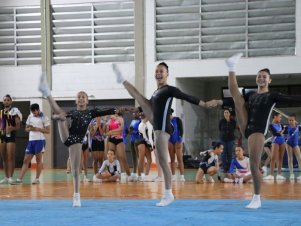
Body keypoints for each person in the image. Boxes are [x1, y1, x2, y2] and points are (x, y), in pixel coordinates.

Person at [112, 62, 212, 206]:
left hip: (162, 127)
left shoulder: (170, 89)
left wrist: (204, 104)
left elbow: (186, 97)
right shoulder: (156, 92)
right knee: (139, 96)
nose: (158, 73)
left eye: (161, 71)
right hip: (156, 124)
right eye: (157, 71)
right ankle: (122, 79)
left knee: (164, 161)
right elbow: (147, 107)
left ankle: (168, 194)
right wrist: (130, 109)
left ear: (167, 74)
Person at [209, 53, 301, 208]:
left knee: (253, 164)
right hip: (246, 125)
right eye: (259, 76)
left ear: (269, 80)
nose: (261, 78)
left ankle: (256, 198)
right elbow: (233, 99)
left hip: (258, 131)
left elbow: (293, 99)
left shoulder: (272, 95)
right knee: (238, 99)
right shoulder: (251, 94)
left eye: (264, 76)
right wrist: (220, 102)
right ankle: (231, 67)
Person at [38, 72, 115, 207]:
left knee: (75, 170)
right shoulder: (72, 112)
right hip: (67, 136)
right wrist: (57, 118)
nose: (80, 99)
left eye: (83, 97)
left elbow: (107, 111)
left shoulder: (91, 112)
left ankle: (76, 196)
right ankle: (47, 92)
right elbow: (55, 116)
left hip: (77, 141)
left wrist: (119, 110)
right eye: (78, 97)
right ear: (75, 100)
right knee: (61, 115)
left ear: (87, 100)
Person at [13, 103, 50, 184]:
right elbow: (26, 129)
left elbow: (48, 131)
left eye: (35, 112)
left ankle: (37, 179)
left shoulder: (44, 117)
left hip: (40, 141)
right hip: (31, 141)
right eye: (32, 112)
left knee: (38, 160)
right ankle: (19, 179)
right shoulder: (30, 116)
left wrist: (37, 129)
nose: (33, 113)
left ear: (38, 110)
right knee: (26, 160)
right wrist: (30, 128)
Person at [0, 94, 22, 184]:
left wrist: (11, 128)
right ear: (3, 101)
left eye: (8, 100)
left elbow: (18, 126)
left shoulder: (14, 111)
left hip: (10, 135)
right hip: (1, 135)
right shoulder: (0, 112)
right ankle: (6, 177)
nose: (6, 101)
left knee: (10, 156)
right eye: (5, 100)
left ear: (11, 101)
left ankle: (10, 177)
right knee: (4, 157)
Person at [106, 110, 131, 179]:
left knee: (122, 157)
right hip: (111, 140)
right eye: (113, 112)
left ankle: (129, 175)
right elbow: (107, 133)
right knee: (112, 158)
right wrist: (111, 132)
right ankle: (114, 174)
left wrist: (112, 131)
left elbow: (121, 129)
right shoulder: (109, 120)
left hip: (119, 139)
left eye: (115, 112)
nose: (114, 114)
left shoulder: (120, 119)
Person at [263, 112, 286, 181]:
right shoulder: (270, 125)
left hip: (282, 141)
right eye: (280, 117)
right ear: (275, 117)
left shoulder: (281, 125)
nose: (280, 118)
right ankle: (271, 175)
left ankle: (279, 174)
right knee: (273, 158)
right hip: (275, 141)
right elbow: (275, 134)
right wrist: (282, 131)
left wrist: (281, 131)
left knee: (280, 158)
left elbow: (284, 132)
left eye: (281, 117)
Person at [168, 108, 185, 182]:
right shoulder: (166, 122)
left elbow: (181, 130)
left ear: (170, 114)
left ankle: (182, 176)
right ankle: (173, 176)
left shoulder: (177, 119)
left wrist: (179, 140)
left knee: (179, 159)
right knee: (172, 159)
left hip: (178, 140)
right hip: (170, 141)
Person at [136, 108, 153, 182]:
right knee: (141, 158)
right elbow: (146, 137)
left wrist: (150, 145)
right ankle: (140, 175)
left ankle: (145, 175)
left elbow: (150, 136)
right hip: (140, 141)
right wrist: (151, 145)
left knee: (149, 159)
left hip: (145, 142)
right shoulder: (141, 125)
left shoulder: (149, 123)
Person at [285, 113, 301, 180]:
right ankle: (291, 174)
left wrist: (298, 138)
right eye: (289, 120)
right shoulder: (286, 127)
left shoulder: (298, 126)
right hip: (288, 144)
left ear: (295, 120)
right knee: (290, 158)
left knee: (299, 158)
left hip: (295, 144)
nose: (291, 121)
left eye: (292, 120)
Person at [128, 108, 141, 181]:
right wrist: (129, 131)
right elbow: (130, 130)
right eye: (133, 113)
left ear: (139, 113)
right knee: (134, 157)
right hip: (132, 140)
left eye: (136, 113)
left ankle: (140, 173)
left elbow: (140, 131)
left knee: (139, 157)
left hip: (138, 140)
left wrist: (134, 131)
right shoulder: (133, 121)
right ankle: (134, 172)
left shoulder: (140, 121)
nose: (134, 114)